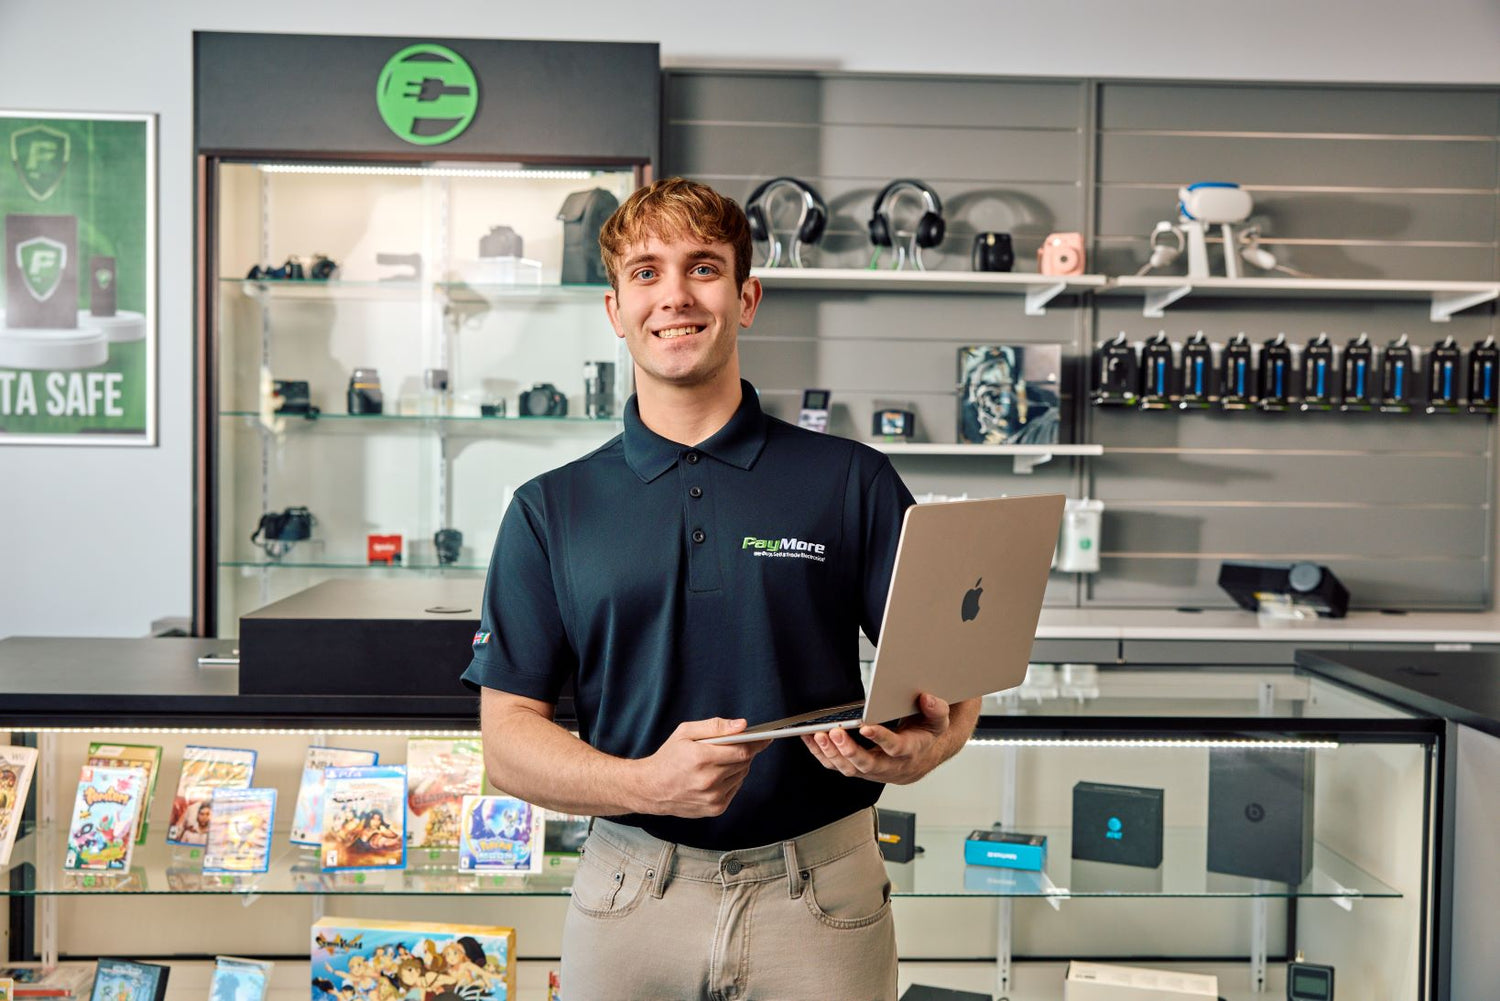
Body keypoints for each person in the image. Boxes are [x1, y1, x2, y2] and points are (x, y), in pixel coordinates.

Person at [463, 177, 980, 1001]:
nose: (674, 296)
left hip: (821, 891)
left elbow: (949, 680)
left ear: (746, 298)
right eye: (646, 273)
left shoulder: (853, 481)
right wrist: (643, 784)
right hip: (631, 892)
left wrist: (932, 747)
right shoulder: (549, 509)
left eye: (703, 269)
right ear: (613, 309)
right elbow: (506, 743)